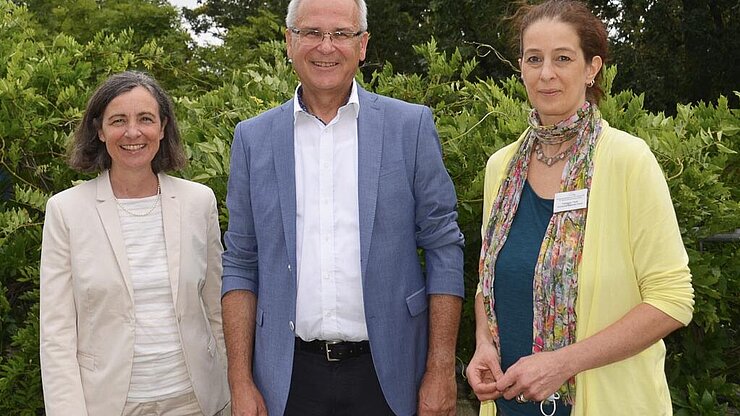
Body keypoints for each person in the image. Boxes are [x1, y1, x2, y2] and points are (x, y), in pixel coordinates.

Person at [220, 0, 465, 414]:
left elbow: (443, 246)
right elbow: (241, 263)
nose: (325, 47)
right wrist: (240, 380)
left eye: (341, 34)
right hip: (288, 378)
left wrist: (441, 368)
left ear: (363, 44)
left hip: (390, 374)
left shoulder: (411, 127)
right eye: (311, 33)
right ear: (289, 42)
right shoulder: (252, 139)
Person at [465, 1, 694, 415]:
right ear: (520, 67)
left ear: (592, 69)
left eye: (563, 58)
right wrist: (484, 342)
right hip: (508, 405)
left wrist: (562, 363)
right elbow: (488, 279)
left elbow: (673, 300)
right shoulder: (501, 168)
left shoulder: (629, 161)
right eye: (534, 59)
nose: (546, 73)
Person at [40, 71, 229, 416]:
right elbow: (56, 333)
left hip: (195, 402)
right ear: (99, 130)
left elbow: (216, 309)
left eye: (145, 119)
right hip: (110, 405)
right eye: (118, 120)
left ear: (163, 126)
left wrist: (233, 391)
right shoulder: (66, 211)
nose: (132, 132)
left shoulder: (198, 202)